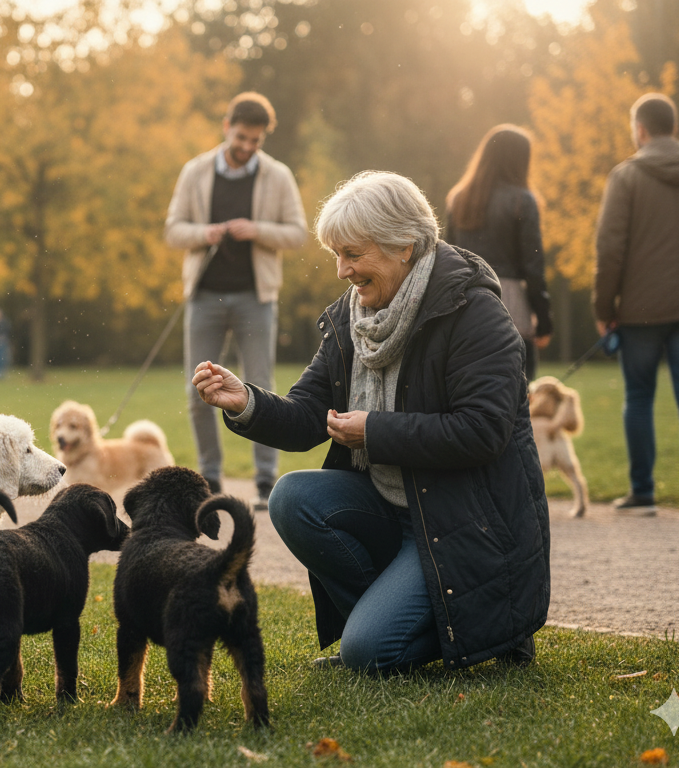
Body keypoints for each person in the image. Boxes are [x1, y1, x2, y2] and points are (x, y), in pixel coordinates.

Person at [193, 171, 549, 674]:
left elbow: (483, 430)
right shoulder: (352, 318)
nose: (341, 270)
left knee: (367, 654)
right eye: (336, 255)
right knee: (292, 497)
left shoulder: (476, 314)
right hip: (391, 509)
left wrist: (376, 431)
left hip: (462, 522)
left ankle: (487, 628)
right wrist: (243, 401)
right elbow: (306, 416)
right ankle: (391, 615)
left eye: (353, 254)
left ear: (404, 246)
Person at [165, 92, 308, 509]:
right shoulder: (194, 172)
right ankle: (209, 478)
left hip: (255, 298)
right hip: (205, 296)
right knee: (199, 390)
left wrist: (257, 229)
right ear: (227, 127)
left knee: (260, 385)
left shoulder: (278, 176)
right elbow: (173, 230)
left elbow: (299, 233)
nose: (247, 147)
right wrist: (204, 233)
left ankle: (266, 481)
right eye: (242, 137)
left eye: (256, 141)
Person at [594, 93, 679, 522]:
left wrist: (604, 305)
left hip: (641, 309)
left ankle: (644, 493)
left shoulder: (626, 176)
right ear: (675, 127)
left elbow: (610, 248)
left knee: (639, 396)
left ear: (641, 129)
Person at [446, 124, 553, 380]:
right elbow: (533, 265)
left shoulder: (459, 199)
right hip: (511, 304)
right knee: (518, 391)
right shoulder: (522, 200)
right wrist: (544, 318)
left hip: (465, 305)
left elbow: (448, 259)